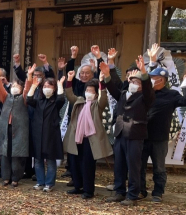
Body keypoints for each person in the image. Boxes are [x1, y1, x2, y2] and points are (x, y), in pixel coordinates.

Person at [101, 54, 154, 206]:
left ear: (142, 85)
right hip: (120, 133)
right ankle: (119, 192)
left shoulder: (146, 97)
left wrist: (144, 73)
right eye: (131, 80)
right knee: (119, 165)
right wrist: (107, 75)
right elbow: (112, 88)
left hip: (135, 135)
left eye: (137, 81)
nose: (133, 83)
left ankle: (132, 195)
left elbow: (149, 89)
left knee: (134, 167)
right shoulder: (124, 94)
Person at [140, 44, 186, 203]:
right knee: (140, 166)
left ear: (161, 80)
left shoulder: (172, 95)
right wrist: (151, 61)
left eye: (153, 78)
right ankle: (141, 191)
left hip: (160, 138)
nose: (151, 81)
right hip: (142, 135)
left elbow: (184, 101)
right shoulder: (146, 93)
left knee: (159, 167)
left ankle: (157, 193)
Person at [63, 72, 112, 199]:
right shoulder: (80, 101)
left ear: (96, 93)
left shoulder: (97, 105)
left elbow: (103, 98)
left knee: (88, 165)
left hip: (91, 139)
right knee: (75, 163)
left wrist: (101, 83)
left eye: (91, 90)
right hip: (77, 138)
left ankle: (88, 190)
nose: (88, 92)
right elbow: (70, 96)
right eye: (87, 90)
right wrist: (69, 80)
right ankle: (78, 186)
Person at [27, 67, 66, 193]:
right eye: (45, 86)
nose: (47, 88)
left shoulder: (56, 101)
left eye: (50, 86)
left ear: (53, 89)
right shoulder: (39, 100)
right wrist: (33, 87)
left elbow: (61, 99)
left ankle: (49, 183)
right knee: (38, 159)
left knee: (50, 160)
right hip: (38, 134)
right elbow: (29, 100)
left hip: (51, 135)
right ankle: (40, 182)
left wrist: (60, 85)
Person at [0, 66, 29, 187]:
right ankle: (6, 177)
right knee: (5, 154)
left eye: (17, 86)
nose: (14, 88)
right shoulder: (6, 97)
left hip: (19, 131)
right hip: (6, 129)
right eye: (13, 86)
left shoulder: (23, 98)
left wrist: (28, 78)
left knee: (16, 155)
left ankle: (15, 178)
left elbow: (27, 90)